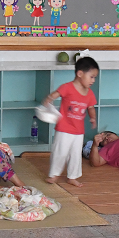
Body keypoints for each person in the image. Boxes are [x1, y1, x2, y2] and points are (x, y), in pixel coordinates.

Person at [42, 56, 98, 187]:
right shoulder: (67, 87)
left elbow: (91, 107)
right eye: (91, 77)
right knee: (60, 152)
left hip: (78, 131)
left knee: (75, 155)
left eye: (95, 77)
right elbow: (56, 94)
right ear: (80, 74)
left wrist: (93, 118)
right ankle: (54, 174)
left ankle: (72, 176)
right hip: (64, 128)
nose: (93, 80)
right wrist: (49, 99)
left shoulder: (89, 93)